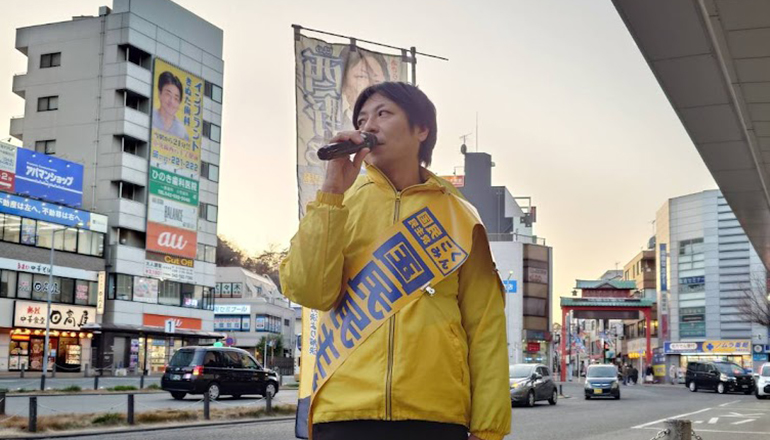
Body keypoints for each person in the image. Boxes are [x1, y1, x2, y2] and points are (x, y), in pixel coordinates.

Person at [280, 82, 510, 440]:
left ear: (422, 129)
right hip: (343, 413)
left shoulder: (459, 217)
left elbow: (485, 326)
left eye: (383, 113)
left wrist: (488, 428)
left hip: (435, 415)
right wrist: (331, 191)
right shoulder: (338, 205)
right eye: (361, 119)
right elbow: (308, 292)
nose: (368, 126)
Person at [152, 71, 190, 141]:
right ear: (159, 94)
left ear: (179, 103)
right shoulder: (150, 116)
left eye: (176, 98)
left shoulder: (182, 132)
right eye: (168, 94)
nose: (171, 101)